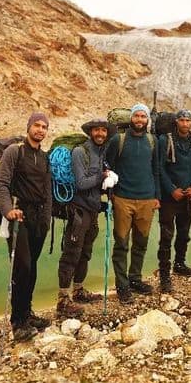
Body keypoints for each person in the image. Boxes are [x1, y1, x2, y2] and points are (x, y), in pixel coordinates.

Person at [0, 112, 53, 342]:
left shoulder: (45, 157)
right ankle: (18, 322)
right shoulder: (14, 152)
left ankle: (27, 313)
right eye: (37, 125)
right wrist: (8, 210)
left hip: (39, 218)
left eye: (44, 127)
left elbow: (47, 190)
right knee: (22, 267)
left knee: (33, 267)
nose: (40, 130)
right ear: (29, 127)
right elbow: (2, 184)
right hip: (19, 216)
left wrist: (47, 219)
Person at [105, 103, 161, 304]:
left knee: (141, 242)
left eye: (143, 117)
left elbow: (156, 169)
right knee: (121, 244)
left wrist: (157, 197)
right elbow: (108, 165)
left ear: (147, 120)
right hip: (122, 198)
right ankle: (122, 286)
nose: (139, 120)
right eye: (136, 116)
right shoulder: (118, 140)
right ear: (131, 119)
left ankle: (135, 278)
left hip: (147, 198)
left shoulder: (152, 141)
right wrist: (110, 193)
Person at [56, 118, 111, 318]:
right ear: (90, 132)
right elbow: (81, 183)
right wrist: (102, 178)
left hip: (92, 210)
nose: (101, 134)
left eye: (104, 131)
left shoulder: (102, 152)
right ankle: (62, 300)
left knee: (85, 253)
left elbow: (96, 184)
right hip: (78, 211)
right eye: (97, 130)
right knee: (71, 254)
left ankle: (78, 291)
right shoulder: (80, 152)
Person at [157, 109, 191, 293]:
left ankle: (180, 263)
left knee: (184, 233)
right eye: (182, 120)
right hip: (169, 198)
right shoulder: (165, 140)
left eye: (188, 120)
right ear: (176, 121)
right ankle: (164, 275)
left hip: (188, 196)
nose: (185, 124)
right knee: (166, 235)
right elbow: (159, 168)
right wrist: (171, 189)